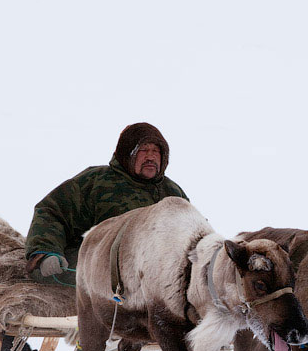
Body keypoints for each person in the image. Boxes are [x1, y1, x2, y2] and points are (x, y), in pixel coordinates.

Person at [24, 122, 188, 285]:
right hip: (100, 267)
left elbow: (194, 233)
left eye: (156, 151)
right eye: (144, 150)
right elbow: (52, 212)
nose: (151, 157)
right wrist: (47, 253)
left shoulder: (173, 193)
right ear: (127, 154)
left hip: (158, 276)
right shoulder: (97, 181)